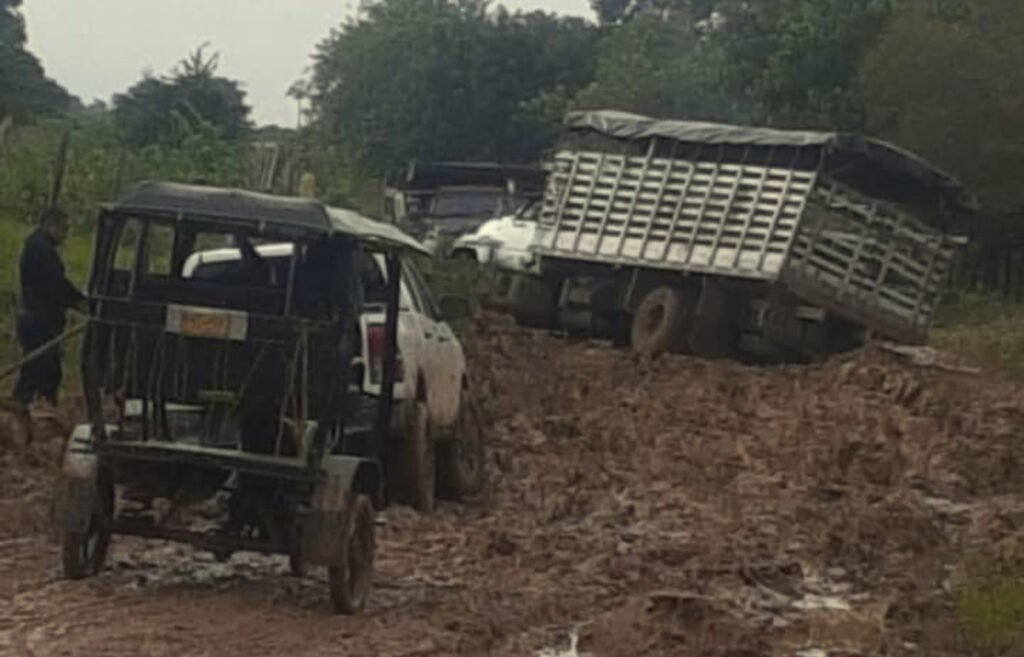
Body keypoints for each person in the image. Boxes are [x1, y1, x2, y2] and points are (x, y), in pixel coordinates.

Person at [12, 207, 86, 407]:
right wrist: (80, 302)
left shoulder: (39, 246)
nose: (65, 235)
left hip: (38, 319)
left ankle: (33, 411)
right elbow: (56, 285)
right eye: (63, 229)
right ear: (50, 225)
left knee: (39, 372)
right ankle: (27, 411)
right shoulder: (40, 250)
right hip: (39, 322)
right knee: (42, 373)